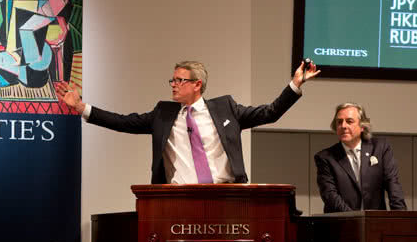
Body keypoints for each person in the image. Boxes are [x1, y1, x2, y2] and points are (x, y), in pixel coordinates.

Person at [55, 60, 319, 184]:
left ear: (197, 84)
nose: (173, 85)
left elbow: (270, 113)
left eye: (179, 80)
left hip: (225, 196)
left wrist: (295, 84)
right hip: (179, 198)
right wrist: (81, 107)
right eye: (172, 80)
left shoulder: (226, 108)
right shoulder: (164, 114)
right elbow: (124, 122)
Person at [314, 103, 406, 211]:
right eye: (339, 122)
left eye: (349, 121)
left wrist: (401, 216)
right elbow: (330, 195)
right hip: (342, 220)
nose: (343, 126)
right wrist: (354, 218)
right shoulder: (325, 157)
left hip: (374, 219)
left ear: (362, 126)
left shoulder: (380, 148)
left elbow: (392, 184)